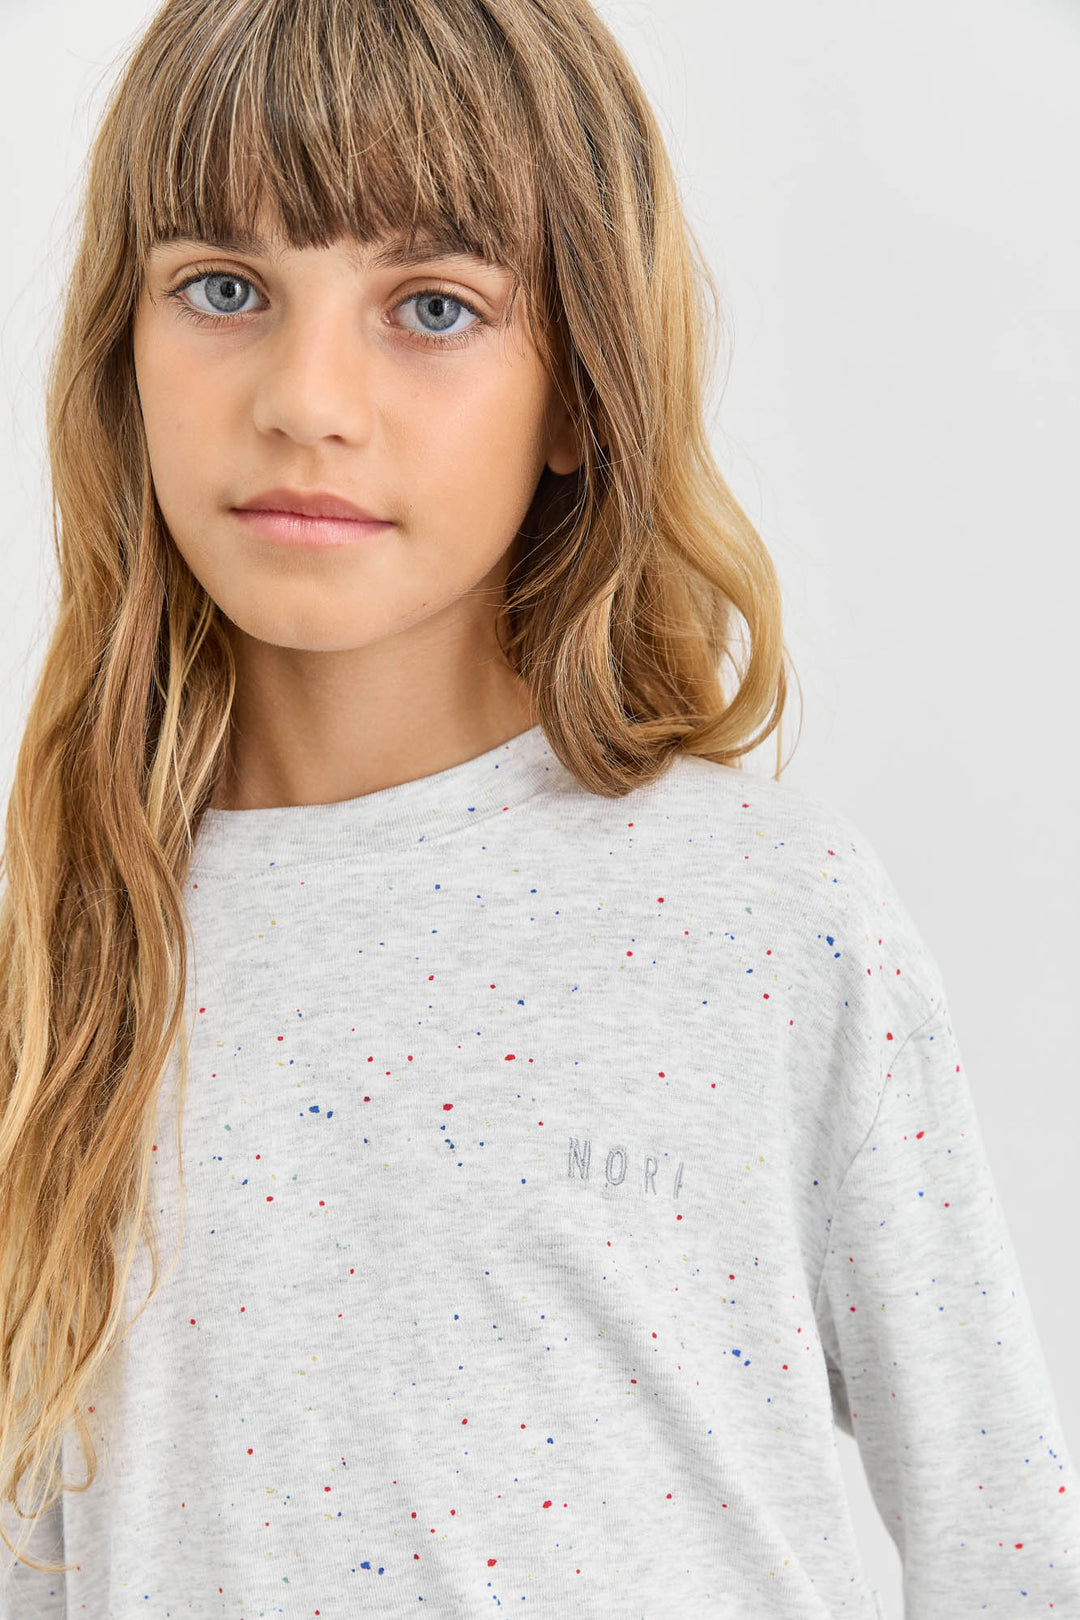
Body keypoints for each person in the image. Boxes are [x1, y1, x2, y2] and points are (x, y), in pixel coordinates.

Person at [1, 0, 1076, 1614]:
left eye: (432, 306)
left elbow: (1008, 1546)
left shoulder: (763, 919)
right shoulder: (59, 962)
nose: (308, 398)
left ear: (579, 390)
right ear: (122, 352)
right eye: (222, 288)